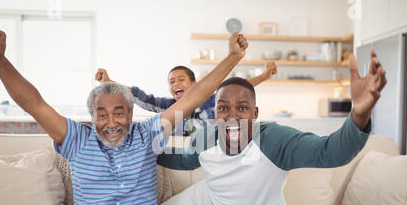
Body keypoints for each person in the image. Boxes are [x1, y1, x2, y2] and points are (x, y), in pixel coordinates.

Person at [0, 25, 248, 205]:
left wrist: (232, 58)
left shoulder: (149, 134)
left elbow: (195, 97)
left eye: (119, 113)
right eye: (102, 114)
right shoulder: (76, 138)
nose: (111, 122)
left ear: (131, 115)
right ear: (92, 117)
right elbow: (34, 103)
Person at [156, 50, 387, 205]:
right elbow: (181, 161)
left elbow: (329, 151)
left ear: (255, 114)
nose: (232, 116)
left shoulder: (273, 139)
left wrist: (359, 114)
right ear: (215, 114)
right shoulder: (205, 139)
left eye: (242, 108)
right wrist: (138, 147)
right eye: (223, 109)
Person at [94, 62, 277, 135]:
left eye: (181, 80)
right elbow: (141, 97)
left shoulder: (212, 101)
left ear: (194, 84)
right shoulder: (169, 105)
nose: (176, 84)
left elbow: (239, 87)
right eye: (171, 81)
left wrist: (265, 75)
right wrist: (109, 82)